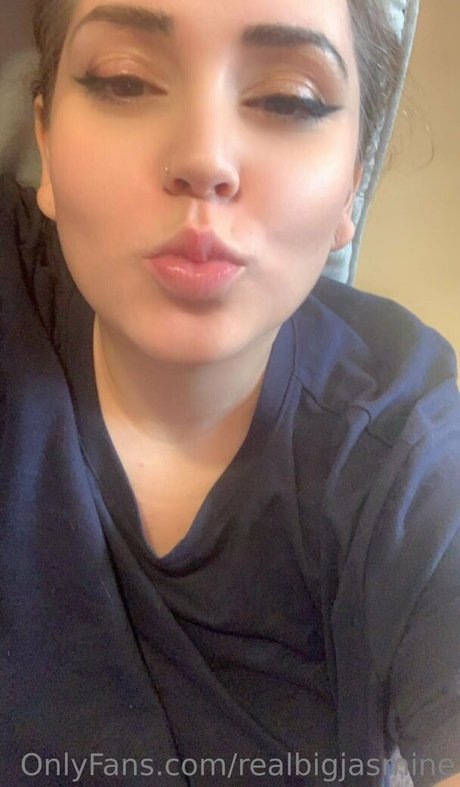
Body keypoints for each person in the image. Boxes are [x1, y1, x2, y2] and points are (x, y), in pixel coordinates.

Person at [0, 1, 459, 785]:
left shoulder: (407, 447)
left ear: (352, 185)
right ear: (44, 140)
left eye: (289, 99)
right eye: (124, 80)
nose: (204, 157)